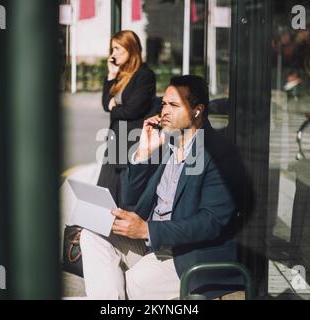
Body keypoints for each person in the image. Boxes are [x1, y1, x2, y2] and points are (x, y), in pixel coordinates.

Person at [80, 75, 247, 300]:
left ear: (197, 111)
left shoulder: (219, 153)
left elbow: (212, 222)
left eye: (174, 105)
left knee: (130, 283)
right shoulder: (169, 143)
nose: (165, 110)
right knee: (92, 235)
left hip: (187, 254)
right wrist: (143, 153)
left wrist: (147, 230)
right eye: (164, 104)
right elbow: (131, 198)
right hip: (153, 244)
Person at [97, 30, 156, 206]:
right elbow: (105, 103)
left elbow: (133, 111)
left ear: (131, 49)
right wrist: (111, 75)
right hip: (116, 140)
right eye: (112, 49)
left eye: (117, 48)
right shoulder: (120, 75)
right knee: (105, 191)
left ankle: (119, 231)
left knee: (123, 196)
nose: (113, 54)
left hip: (131, 142)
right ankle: (99, 229)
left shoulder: (145, 75)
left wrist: (114, 107)